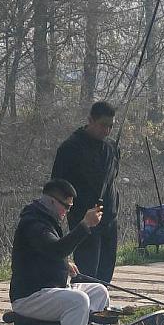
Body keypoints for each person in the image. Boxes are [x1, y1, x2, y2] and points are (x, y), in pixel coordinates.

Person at [10, 178, 108, 325]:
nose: (67, 212)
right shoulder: (34, 223)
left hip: (51, 290)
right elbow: (56, 249)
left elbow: (52, 252)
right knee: (79, 300)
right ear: (52, 201)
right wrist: (84, 225)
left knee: (99, 291)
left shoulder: (48, 220)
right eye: (66, 206)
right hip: (31, 297)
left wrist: (65, 264)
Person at [51, 100, 119, 284]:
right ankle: (85, 309)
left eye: (111, 126)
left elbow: (113, 177)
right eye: (103, 125)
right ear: (90, 120)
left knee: (105, 275)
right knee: (87, 274)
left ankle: (102, 309)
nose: (106, 131)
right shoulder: (70, 148)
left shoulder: (112, 147)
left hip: (109, 218)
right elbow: (57, 186)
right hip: (84, 220)